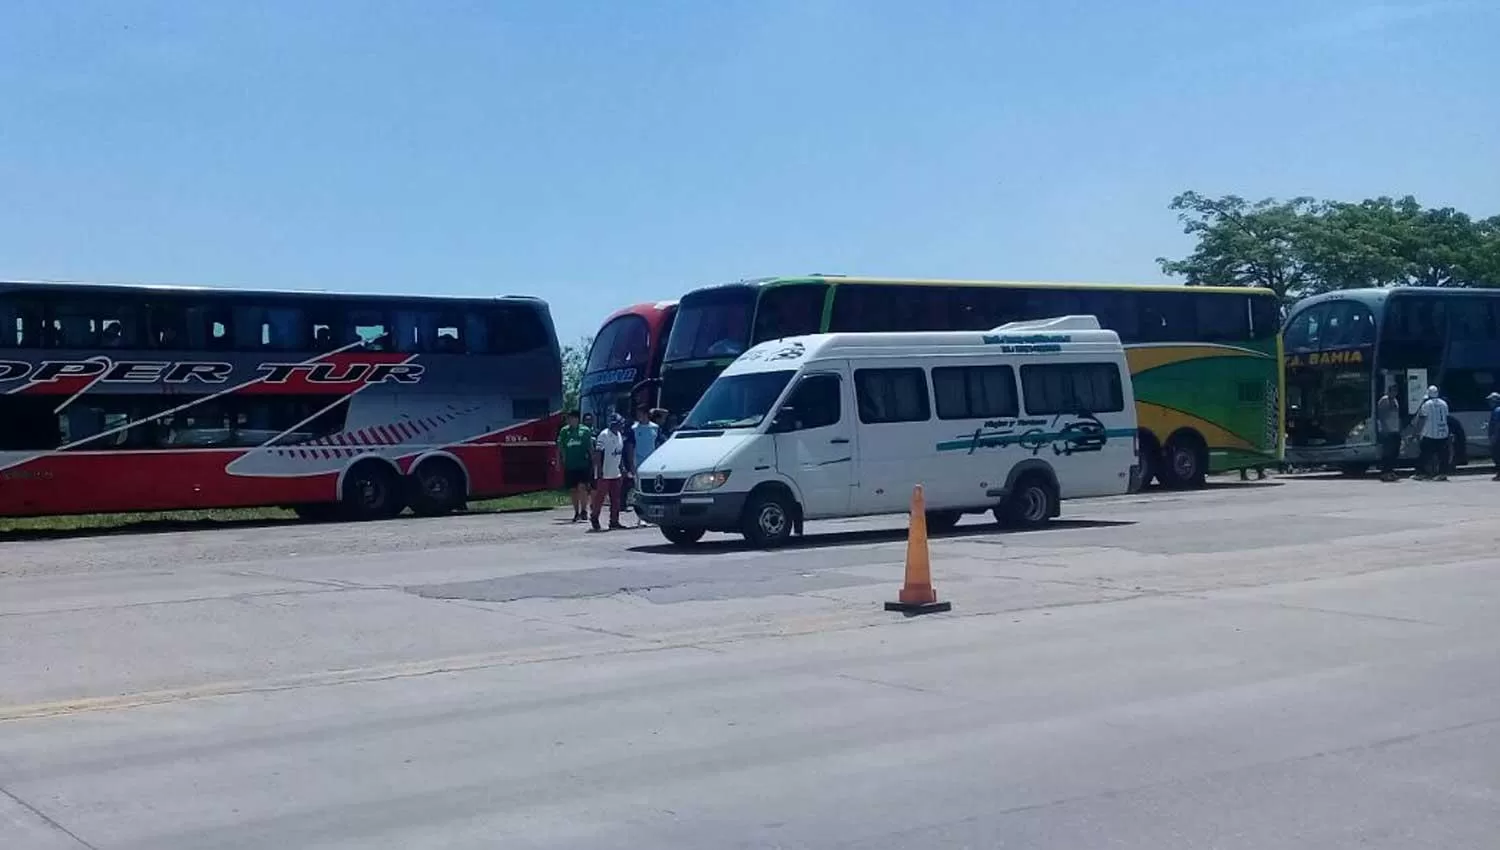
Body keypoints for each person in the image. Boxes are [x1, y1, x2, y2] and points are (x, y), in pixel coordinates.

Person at [589, 413, 628, 531]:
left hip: (615, 472)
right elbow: (598, 453)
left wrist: (622, 467)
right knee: (600, 497)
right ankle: (594, 517)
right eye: (617, 424)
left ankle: (614, 521)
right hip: (604, 472)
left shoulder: (620, 435)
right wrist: (599, 470)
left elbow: (619, 453)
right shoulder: (604, 435)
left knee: (616, 498)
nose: (619, 427)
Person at [557, 410, 595, 522]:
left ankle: (584, 510)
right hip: (570, 464)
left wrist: (593, 460)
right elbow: (560, 447)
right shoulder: (564, 431)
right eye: (568, 419)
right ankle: (576, 512)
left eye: (571, 418)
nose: (569, 421)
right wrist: (560, 461)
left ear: (576, 419)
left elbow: (590, 447)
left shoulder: (585, 431)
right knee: (573, 489)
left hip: (583, 463)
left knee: (582, 487)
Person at [1409, 385, 1451, 481]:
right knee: (1443, 455)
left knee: (1424, 454)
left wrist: (1415, 434)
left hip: (1430, 434)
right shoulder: (1444, 404)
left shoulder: (1426, 404)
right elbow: (1446, 418)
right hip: (1443, 433)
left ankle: (1421, 473)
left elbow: (1422, 420)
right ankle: (1442, 473)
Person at [630, 407, 661, 525]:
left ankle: (655, 517)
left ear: (646, 414)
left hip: (653, 464)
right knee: (640, 492)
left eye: (641, 414)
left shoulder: (655, 428)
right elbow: (630, 447)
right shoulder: (633, 429)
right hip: (639, 463)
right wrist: (631, 465)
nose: (639, 416)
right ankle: (641, 517)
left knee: (654, 491)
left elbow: (659, 445)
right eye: (637, 414)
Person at [1375, 382, 1403, 482]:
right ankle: (1385, 472)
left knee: (1395, 452)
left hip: (1395, 430)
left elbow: (1397, 415)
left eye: (1396, 391)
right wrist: (1385, 428)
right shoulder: (1384, 401)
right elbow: (1381, 416)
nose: (1395, 393)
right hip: (1387, 431)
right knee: (1387, 452)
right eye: (1393, 391)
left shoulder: (1395, 401)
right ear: (1389, 391)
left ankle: (1391, 471)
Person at [1487, 391, 1500, 480]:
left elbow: (1498, 425)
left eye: (1491, 401)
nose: (1489, 403)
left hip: (1498, 437)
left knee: (1497, 456)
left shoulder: (1497, 410)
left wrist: (1494, 437)